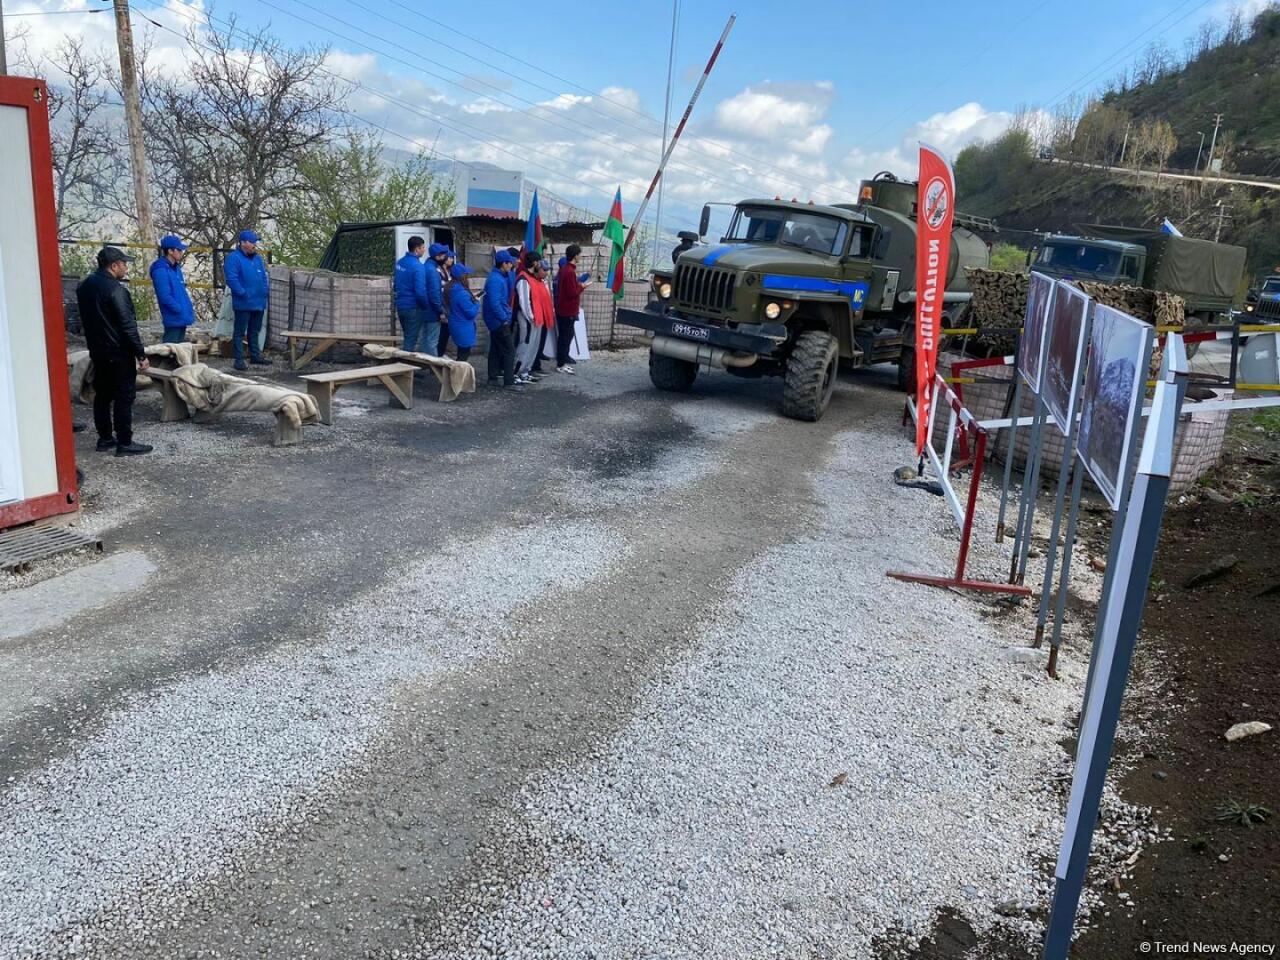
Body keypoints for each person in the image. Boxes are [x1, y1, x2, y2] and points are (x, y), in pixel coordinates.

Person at [76, 246, 152, 456]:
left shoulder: (85, 286)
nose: (126, 268)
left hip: (97, 349)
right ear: (114, 265)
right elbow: (127, 325)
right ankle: (125, 442)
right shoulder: (116, 290)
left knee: (102, 395)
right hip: (118, 351)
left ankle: (105, 438)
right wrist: (141, 354)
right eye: (124, 264)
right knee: (124, 396)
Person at [224, 229, 270, 371]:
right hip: (244, 302)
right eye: (252, 242)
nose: (255, 245)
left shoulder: (257, 259)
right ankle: (239, 359)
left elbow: (263, 277)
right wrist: (242, 293)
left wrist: (264, 291)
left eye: (255, 242)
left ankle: (255, 355)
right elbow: (231, 279)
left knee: (254, 330)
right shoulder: (233, 258)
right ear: (243, 243)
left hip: (258, 301)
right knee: (239, 332)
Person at [514, 256, 555, 383]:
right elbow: (524, 302)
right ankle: (516, 373)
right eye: (539, 261)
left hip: (536, 318)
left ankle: (525, 371)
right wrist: (531, 317)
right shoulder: (524, 279)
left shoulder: (534, 279)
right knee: (525, 345)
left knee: (533, 346)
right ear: (534, 263)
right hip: (529, 318)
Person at [554, 244, 591, 374]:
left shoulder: (566, 270)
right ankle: (561, 363)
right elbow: (572, 292)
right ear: (575, 256)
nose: (580, 257)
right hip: (567, 310)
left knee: (566, 336)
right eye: (579, 254)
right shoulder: (569, 271)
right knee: (565, 337)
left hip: (565, 309)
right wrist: (582, 287)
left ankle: (562, 362)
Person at [150, 234, 195, 344]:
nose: (181, 252)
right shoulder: (160, 269)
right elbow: (164, 296)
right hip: (173, 317)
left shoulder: (175, 267)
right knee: (170, 348)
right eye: (178, 250)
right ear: (170, 251)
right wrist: (178, 309)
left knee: (178, 349)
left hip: (181, 316)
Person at [484, 250, 519, 388]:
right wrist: (504, 318)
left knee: (495, 348)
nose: (511, 265)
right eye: (509, 263)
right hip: (498, 320)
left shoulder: (498, 277)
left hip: (496, 319)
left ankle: (492, 378)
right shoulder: (496, 280)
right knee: (509, 350)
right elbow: (495, 303)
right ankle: (508, 381)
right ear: (503, 264)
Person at [393, 235, 430, 351]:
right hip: (413, 307)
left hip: (401, 306)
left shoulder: (400, 263)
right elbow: (420, 292)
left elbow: (396, 284)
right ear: (417, 249)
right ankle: (404, 361)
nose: (424, 250)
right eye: (423, 247)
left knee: (407, 336)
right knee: (410, 339)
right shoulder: (418, 266)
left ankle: (404, 359)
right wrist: (425, 306)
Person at [445, 263, 479, 362]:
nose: (468, 277)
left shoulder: (451, 289)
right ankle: (457, 372)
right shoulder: (462, 294)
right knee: (463, 356)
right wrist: (476, 303)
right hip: (463, 327)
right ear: (462, 276)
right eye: (466, 274)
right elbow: (471, 313)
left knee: (461, 354)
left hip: (456, 323)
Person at [420, 242, 449, 356]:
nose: (445, 257)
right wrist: (441, 311)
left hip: (424, 309)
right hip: (432, 311)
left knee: (425, 339)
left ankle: (423, 363)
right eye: (444, 255)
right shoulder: (432, 271)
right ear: (438, 256)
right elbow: (434, 295)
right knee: (432, 341)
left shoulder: (425, 266)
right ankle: (433, 365)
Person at [437, 248, 458, 357]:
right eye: (450, 257)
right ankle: (439, 354)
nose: (452, 260)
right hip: (443, 305)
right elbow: (440, 290)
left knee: (446, 330)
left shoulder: (449, 271)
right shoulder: (438, 271)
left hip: (449, 305)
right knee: (443, 332)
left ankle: (442, 353)